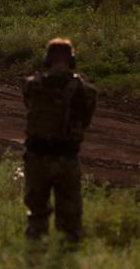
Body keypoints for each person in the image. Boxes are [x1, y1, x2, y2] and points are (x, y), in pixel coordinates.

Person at [22, 38, 96, 243]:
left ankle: (35, 257)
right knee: (70, 219)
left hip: (37, 157)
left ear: (47, 59)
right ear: (72, 59)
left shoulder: (32, 85)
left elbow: (29, 107)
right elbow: (85, 121)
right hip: (66, 158)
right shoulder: (84, 90)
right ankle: (65, 259)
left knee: (37, 215)